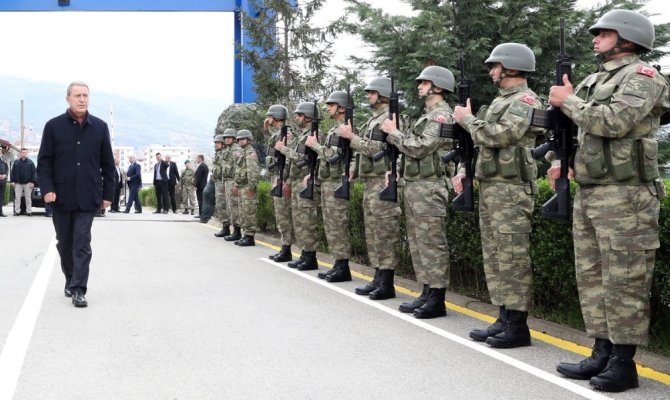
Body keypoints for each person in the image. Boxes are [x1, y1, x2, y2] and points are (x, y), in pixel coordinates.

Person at [546, 10, 670, 393]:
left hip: (627, 195)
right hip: (590, 191)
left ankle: (623, 362)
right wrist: (557, 162)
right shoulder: (593, 79)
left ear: (628, 38)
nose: (596, 38)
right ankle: (601, 351)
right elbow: (573, 132)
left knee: (625, 279)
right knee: (593, 278)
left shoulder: (644, 77)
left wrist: (568, 102)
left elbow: (613, 122)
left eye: (604, 32)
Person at [451, 43, 544, 348]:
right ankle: (504, 317)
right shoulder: (499, 101)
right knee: (495, 257)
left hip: (512, 189)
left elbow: (500, 135)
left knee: (512, 256)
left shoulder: (526, 100)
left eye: (495, 66)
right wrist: (467, 170)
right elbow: (484, 143)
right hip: (493, 186)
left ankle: (518, 325)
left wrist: (466, 119)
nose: (491, 71)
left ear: (512, 67)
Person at [382, 66, 455, 318]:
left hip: (430, 186)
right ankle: (426, 291)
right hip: (415, 185)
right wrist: (398, 168)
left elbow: (421, 148)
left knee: (432, 243)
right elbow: (411, 154)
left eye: (424, 82)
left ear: (438, 86)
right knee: (417, 242)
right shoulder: (427, 116)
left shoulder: (442, 117)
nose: (419, 86)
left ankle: (437, 297)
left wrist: (393, 134)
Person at [37, 81, 115, 307]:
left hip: (88, 197)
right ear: (68, 99)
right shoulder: (53, 127)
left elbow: (108, 165)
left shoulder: (100, 127)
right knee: (64, 242)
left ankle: (79, 288)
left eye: (85, 95)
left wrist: (107, 195)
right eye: (78, 95)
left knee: (82, 242)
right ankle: (70, 278)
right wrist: (48, 189)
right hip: (60, 196)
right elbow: (44, 163)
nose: (82, 99)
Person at [337, 77, 402, 299]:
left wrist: (351, 137)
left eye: (371, 92)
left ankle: (387, 281)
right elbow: (359, 153)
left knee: (384, 232)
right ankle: (378, 276)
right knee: (373, 232)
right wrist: (353, 167)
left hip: (381, 181)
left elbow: (374, 148)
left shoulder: (388, 119)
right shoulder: (372, 120)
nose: (368, 96)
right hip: (370, 181)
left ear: (382, 94)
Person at [306, 90, 352, 282]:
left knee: (338, 225)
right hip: (327, 182)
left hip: (336, 182)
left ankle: (343, 267)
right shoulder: (335, 129)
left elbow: (333, 156)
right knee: (331, 225)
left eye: (331, 105)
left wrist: (315, 146)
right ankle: (337, 264)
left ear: (341, 107)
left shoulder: (345, 129)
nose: (328, 108)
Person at [275, 102, 322, 271]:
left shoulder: (314, 135)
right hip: (296, 182)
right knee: (299, 221)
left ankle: (310, 257)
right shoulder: (302, 135)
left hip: (305, 182)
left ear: (309, 116)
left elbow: (303, 158)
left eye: (300, 115)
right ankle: (304, 254)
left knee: (308, 220)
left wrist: (284, 149)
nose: (297, 118)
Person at [264, 104, 294, 262]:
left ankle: (287, 249)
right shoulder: (278, 134)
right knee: (280, 214)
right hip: (276, 176)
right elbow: (272, 144)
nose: (267, 119)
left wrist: (285, 179)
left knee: (283, 215)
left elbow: (288, 160)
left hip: (280, 177)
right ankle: (284, 247)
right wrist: (266, 128)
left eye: (269, 116)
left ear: (276, 117)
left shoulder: (286, 135)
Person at [231, 129, 260, 246]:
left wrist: (251, 188)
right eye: (239, 139)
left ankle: (250, 236)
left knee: (249, 212)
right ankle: (245, 234)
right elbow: (238, 171)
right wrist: (236, 185)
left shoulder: (250, 153)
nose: (240, 141)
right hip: (242, 186)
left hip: (248, 187)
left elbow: (253, 172)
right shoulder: (242, 153)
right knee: (243, 212)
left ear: (249, 140)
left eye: (243, 139)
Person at [211, 134, 229, 237]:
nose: (216, 145)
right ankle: (224, 227)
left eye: (218, 143)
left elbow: (225, 170)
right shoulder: (218, 154)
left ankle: (226, 228)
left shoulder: (224, 154)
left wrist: (223, 183)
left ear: (222, 143)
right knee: (220, 205)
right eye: (215, 143)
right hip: (218, 182)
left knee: (223, 205)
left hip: (223, 183)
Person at [10, 148, 36, 216]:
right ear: (20, 153)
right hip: (18, 183)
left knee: (28, 198)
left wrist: (32, 182)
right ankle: (17, 211)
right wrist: (12, 181)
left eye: (25, 152)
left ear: (27, 153)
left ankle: (29, 211)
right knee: (17, 198)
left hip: (28, 183)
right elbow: (12, 172)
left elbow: (33, 173)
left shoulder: (31, 162)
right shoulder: (16, 162)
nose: (24, 153)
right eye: (23, 152)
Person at [0, 144, 9, 217]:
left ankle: (0, 212)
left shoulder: (4, 159)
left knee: (1, 197)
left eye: (0, 150)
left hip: (3, 181)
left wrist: (5, 175)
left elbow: (7, 168)